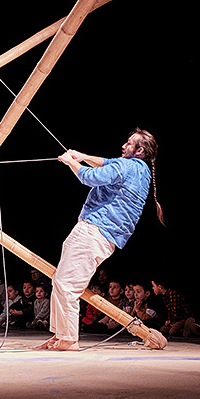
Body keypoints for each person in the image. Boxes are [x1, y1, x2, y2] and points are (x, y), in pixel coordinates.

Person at [36, 129, 167, 351]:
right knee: (62, 280)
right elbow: (106, 162)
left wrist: (70, 161)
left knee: (66, 284)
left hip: (95, 230)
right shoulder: (140, 170)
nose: (123, 146)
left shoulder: (127, 167)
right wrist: (81, 155)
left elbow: (89, 177)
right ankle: (61, 335)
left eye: (129, 143)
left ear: (140, 150)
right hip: (103, 235)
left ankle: (68, 338)